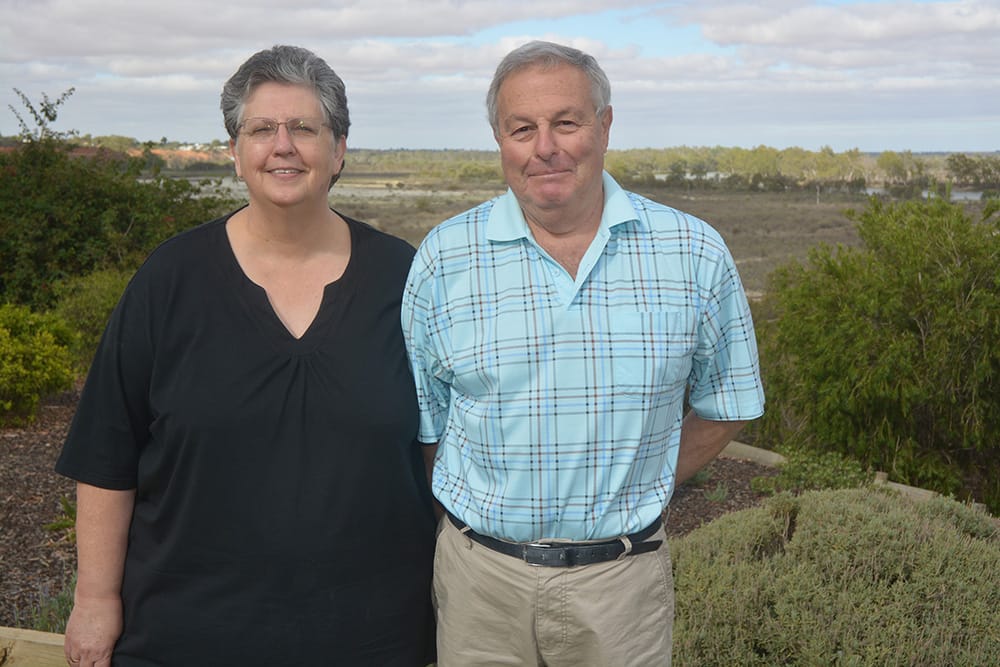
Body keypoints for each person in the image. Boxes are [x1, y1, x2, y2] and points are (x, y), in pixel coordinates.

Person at [56, 45, 436, 666]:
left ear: (338, 149)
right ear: (235, 152)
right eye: (261, 129)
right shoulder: (169, 280)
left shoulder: (407, 280)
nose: (282, 145)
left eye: (304, 129)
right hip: (186, 637)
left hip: (372, 638)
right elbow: (106, 453)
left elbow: (438, 451)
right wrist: (95, 600)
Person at [401, 40, 765, 666]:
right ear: (500, 139)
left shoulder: (692, 251)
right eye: (522, 128)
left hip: (621, 588)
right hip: (479, 586)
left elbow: (729, 401)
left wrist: (641, 481)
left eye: (566, 122)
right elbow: (428, 419)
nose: (546, 146)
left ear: (605, 125)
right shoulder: (444, 257)